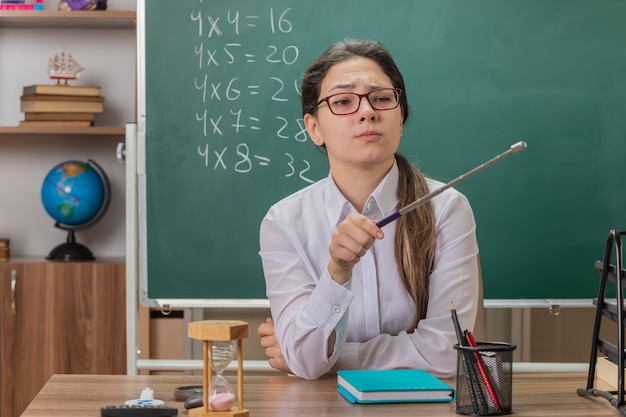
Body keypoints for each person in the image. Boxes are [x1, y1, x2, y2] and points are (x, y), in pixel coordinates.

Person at [257, 39, 479, 381]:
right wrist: (337, 272)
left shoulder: (446, 209)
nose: (367, 111)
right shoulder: (284, 223)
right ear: (314, 128)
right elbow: (304, 359)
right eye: (343, 101)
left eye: (382, 98)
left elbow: (448, 353)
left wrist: (334, 357)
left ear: (400, 119)